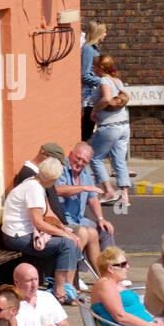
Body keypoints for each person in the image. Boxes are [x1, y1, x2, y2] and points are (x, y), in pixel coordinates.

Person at [0, 156, 81, 304]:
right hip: (17, 236)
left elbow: (49, 214)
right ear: (54, 178)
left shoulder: (37, 185)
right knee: (66, 244)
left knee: (72, 239)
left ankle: (69, 288)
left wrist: (65, 230)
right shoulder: (34, 189)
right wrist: (65, 235)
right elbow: (39, 223)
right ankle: (61, 291)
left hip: (26, 233)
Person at [54, 141, 116, 273]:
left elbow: (93, 197)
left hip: (80, 219)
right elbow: (59, 189)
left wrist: (100, 218)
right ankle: (78, 273)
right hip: (64, 220)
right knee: (85, 232)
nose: (80, 163)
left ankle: (114, 270)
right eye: (78, 159)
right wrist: (82, 188)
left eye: (85, 162)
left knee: (105, 230)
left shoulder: (84, 173)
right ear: (71, 154)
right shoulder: (61, 168)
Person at [88, 54, 131, 207]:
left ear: (100, 68)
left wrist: (94, 110)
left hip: (109, 126)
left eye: (95, 66)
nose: (93, 69)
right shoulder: (118, 81)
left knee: (95, 158)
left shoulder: (104, 80)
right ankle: (124, 195)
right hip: (124, 125)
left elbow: (106, 99)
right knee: (119, 160)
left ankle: (109, 191)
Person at [80, 21, 107, 140]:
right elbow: (85, 75)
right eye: (104, 32)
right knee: (87, 130)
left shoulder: (94, 49)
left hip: (95, 95)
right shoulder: (88, 49)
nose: (105, 34)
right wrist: (102, 82)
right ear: (98, 33)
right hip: (89, 98)